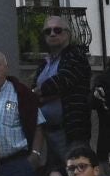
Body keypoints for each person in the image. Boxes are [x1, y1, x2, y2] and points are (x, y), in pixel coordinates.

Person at [32, 16, 92, 164]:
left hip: (70, 132)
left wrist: (38, 94)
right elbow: (33, 89)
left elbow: (62, 81)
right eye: (48, 31)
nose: (52, 34)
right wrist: (39, 95)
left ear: (68, 34)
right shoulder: (44, 63)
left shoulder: (76, 55)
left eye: (57, 30)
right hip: (47, 134)